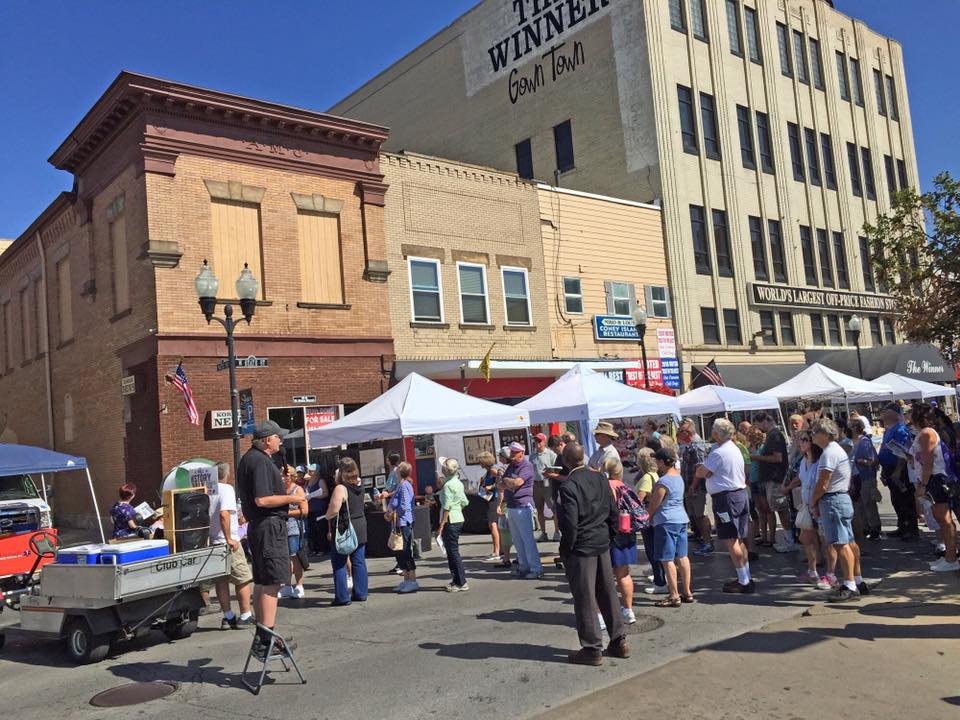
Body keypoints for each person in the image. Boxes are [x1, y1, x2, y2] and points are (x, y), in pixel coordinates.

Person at [557, 443, 629, 665]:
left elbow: (570, 523)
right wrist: (611, 534)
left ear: (566, 461)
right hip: (600, 541)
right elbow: (612, 510)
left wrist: (566, 549)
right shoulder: (599, 478)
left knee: (586, 597)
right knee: (607, 591)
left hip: (582, 546)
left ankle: (591, 647)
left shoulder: (569, 485)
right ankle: (618, 640)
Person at [236, 420, 301, 656]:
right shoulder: (260, 461)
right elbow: (262, 500)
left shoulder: (251, 459)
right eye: (277, 437)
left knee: (263, 581)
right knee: (273, 582)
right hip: (269, 526)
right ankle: (267, 641)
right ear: (266, 440)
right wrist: (293, 499)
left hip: (261, 527)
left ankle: (263, 637)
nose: (280, 441)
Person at [810, 419, 867, 601]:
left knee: (840, 543)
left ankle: (849, 584)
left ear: (825, 434)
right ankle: (857, 579)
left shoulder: (829, 453)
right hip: (839, 499)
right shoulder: (835, 450)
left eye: (815, 432)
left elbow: (823, 482)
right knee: (848, 541)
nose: (812, 435)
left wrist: (813, 501)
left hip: (833, 500)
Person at [695, 419, 753, 593]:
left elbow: (701, 472)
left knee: (731, 540)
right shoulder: (733, 448)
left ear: (716, 433)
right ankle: (745, 576)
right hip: (738, 494)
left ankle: (744, 581)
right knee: (739, 539)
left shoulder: (719, 453)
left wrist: (703, 469)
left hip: (726, 499)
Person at [911, 403, 959, 572]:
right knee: (941, 520)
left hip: (936, 479)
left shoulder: (927, 433)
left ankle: (951, 558)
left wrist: (922, 485)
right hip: (932, 479)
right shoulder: (924, 433)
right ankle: (949, 556)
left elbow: (929, 462)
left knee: (944, 520)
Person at [208, 462, 254, 629]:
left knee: (222, 581)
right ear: (226, 475)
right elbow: (224, 514)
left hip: (213, 541)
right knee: (242, 578)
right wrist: (229, 538)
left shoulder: (208, 490)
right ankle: (246, 614)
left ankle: (227, 616)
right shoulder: (226, 489)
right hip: (227, 541)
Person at [647, 447, 693, 608]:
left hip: (666, 520)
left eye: (657, 461)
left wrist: (648, 517)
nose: (656, 464)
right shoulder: (678, 477)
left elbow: (654, 504)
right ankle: (687, 592)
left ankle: (674, 595)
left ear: (662, 462)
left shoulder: (663, 481)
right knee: (682, 556)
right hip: (680, 518)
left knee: (667, 559)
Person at [785, 433, 830, 587]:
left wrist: (815, 503)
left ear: (812, 442)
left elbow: (822, 483)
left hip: (819, 504)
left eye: (805, 440)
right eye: (800, 439)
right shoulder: (804, 460)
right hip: (807, 504)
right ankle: (812, 570)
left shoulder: (820, 461)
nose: (801, 442)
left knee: (825, 540)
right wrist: (788, 487)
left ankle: (830, 574)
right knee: (806, 538)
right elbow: (799, 477)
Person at [322, 458, 369, 605]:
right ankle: (361, 593)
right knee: (359, 561)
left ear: (341, 471)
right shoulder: (359, 485)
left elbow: (334, 510)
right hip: (360, 524)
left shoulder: (341, 488)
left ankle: (342, 597)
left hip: (345, 526)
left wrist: (327, 515)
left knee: (339, 562)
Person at [752, 413, 797, 553]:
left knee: (782, 509)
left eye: (758, 424)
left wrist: (756, 457)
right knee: (778, 509)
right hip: (772, 478)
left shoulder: (775, 435)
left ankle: (790, 541)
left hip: (776, 478)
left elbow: (778, 458)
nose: (758, 428)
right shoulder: (772, 435)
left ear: (765, 421)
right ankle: (789, 539)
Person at [499, 441, 542, 579]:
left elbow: (518, 483)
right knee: (517, 540)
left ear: (522, 453)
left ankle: (536, 569)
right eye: (511, 452)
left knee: (527, 539)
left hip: (523, 506)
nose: (512, 454)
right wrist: (508, 482)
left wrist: (507, 482)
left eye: (515, 452)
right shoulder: (510, 466)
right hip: (511, 506)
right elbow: (500, 484)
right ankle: (523, 567)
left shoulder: (527, 466)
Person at [605, 456, 638, 624]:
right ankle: (629, 610)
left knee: (606, 576)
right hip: (626, 532)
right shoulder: (625, 487)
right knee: (624, 574)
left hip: (610, 534)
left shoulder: (604, 487)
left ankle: (608, 614)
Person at [879, 403, 918, 541]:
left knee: (905, 499)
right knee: (896, 499)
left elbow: (903, 452)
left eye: (885, 411)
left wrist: (898, 470)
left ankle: (911, 529)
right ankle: (902, 526)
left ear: (894, 414)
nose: (882, 413)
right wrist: (884, 470)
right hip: (889, 468)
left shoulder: (900, 429)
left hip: (899, 470)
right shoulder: (889, 429)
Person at [634, 448, 666, 595]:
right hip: (656, 517)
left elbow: (639, 499)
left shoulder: (647, 477)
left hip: (648, 517)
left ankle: (660, 581)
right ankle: (660, 577)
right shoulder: (655, 475)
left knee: (652, 550)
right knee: (656, 550)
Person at [678, 420, 712, 554]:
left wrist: (693, 486)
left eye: (681, 431)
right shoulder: (688, 445)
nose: (679, 434)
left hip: (696, 487)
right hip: (689, 486)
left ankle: (708, 542)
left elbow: (700, 467)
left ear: (688, 432)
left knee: (700, 515)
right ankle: (705, 540)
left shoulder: (696, 445)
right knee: (695, 515)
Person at [437, 458, 470, 591]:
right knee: (453, 551)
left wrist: (441, 525)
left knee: (453, 552)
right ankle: (457, 580)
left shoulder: (448, 485)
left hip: (451, 520)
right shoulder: (458, 482)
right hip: (458, 518)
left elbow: (447, 507)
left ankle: (460, 582)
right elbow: (464, 502)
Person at [387, 461, 419, 593]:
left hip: (404, 522)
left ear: (400, 472)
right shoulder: (400, 485)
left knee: (405, 550)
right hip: (398, 522)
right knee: (399, 551)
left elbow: (405, 506)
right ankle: (406, 579)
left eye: (398, 468)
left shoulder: (405, 485)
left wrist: (394, 514)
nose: (395, 470)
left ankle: (412, 580)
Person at [280, 465, 308, 599]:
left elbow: (305, 510)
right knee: (284, 558)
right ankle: (286, 585)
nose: (281, 477)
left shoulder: (298, 490)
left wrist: (288, 513)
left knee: (294, 556)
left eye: (284, 475)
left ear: (291, 476)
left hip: (293, 528)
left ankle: (299, 585)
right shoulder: (280, 490)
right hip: (281, 529)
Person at [851, 417, 881, 540]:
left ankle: (875, 528)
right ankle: (865, 527)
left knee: (868, 503)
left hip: (865, 476)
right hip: (854, 478)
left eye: (852, 426)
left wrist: (859, 461)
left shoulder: (864, 442)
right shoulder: (849, 441)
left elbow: (872, 461)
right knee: (859, 505)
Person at [531, 432, 559, 541]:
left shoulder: (551, 454)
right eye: (535, 441)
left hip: (548, 483)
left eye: (539, 441)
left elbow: (556, 468)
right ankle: (543, 533)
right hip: (536, 484)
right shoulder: (532, 456)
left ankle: (557, 531)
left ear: (544, 442)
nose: (537, 443)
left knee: (553, 508)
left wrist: (550, 472)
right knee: (539, 509)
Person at [477, 451, 502, 561]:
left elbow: (500, 481)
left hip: (493, 499)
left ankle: (496, 551)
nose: (479, 464)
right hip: (490, 499)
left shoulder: (492, 470)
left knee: (493, 525)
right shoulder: (488, 471)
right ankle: (498, 549)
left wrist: (490, 487)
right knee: (493, 525)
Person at [305, 467, 330, 556]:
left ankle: (322, 549)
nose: (310, 472)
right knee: (312, 530)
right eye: (309, 470)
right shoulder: (307, 481)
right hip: (310, 508)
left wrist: (313, 496)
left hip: (319, 508)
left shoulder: (320, 481)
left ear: (317, 471)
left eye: (312, 470)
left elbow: (325, 493)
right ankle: (314, 549)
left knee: (320, 529)